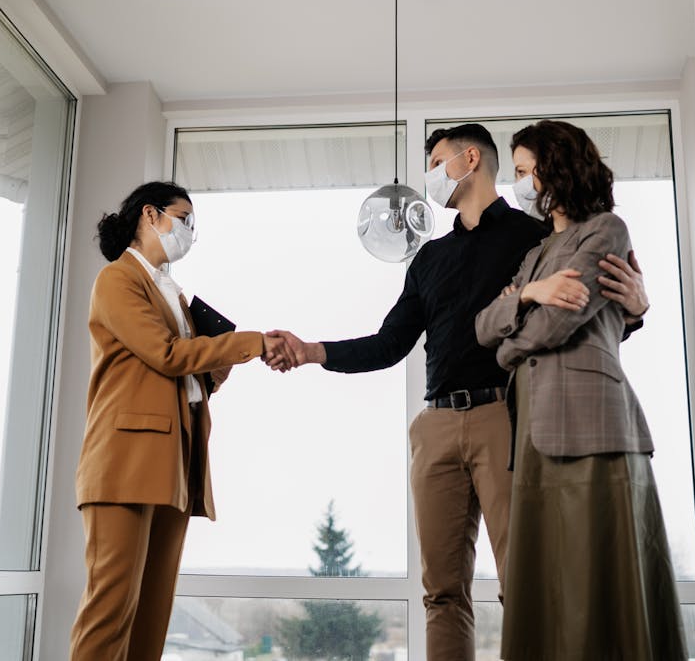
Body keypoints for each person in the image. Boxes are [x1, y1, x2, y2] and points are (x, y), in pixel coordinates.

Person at [267, 123, 649, 661]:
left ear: (470, 159)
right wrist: (312, 351)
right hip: (436, 428)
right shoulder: (428, 259)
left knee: (529, 582)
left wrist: (635, 310)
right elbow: (389, 342)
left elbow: (585, 313)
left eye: (435, 160)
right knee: (441, 591)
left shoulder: (536, 238)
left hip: (508, 419)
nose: (429, 175)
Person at [475, 120, 686, 660]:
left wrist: (514, 326)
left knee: (600, 577)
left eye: (523, 171)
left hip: (593, 424)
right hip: (536, 431)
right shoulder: (536, 253)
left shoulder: (606, 230)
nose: (518, 184)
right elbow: (482, 327)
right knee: (549, 582)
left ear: (555, 168)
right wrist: (529, 295)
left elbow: (554, 327)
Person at [69, 181, 288, 661]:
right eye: (184, 218)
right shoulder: (118, 280)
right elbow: (166, 355)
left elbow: (183, 380)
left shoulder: (171, 292)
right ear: (150, 215)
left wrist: (217, 371)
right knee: (109, 612)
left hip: (173, 464)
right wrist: (251, 343)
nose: (190, 231)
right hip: (124, 464)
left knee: (151, 616)